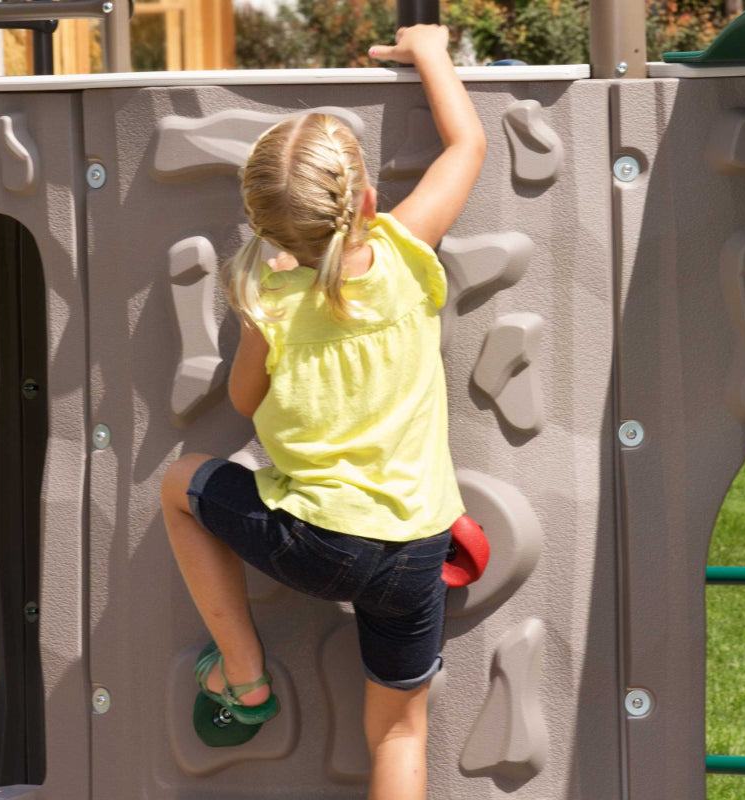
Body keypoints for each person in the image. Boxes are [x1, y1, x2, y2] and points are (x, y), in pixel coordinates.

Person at [160, 24, 485, 800]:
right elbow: (467, 145)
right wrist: (431, 52)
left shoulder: (269, 302)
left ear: (267, 230)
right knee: (400, 733)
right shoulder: (408, 255)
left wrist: (260, 313)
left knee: (180, 486)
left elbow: (243, 403)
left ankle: (243, 676)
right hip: (414, 549)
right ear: (368, 201)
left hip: (317, 544)